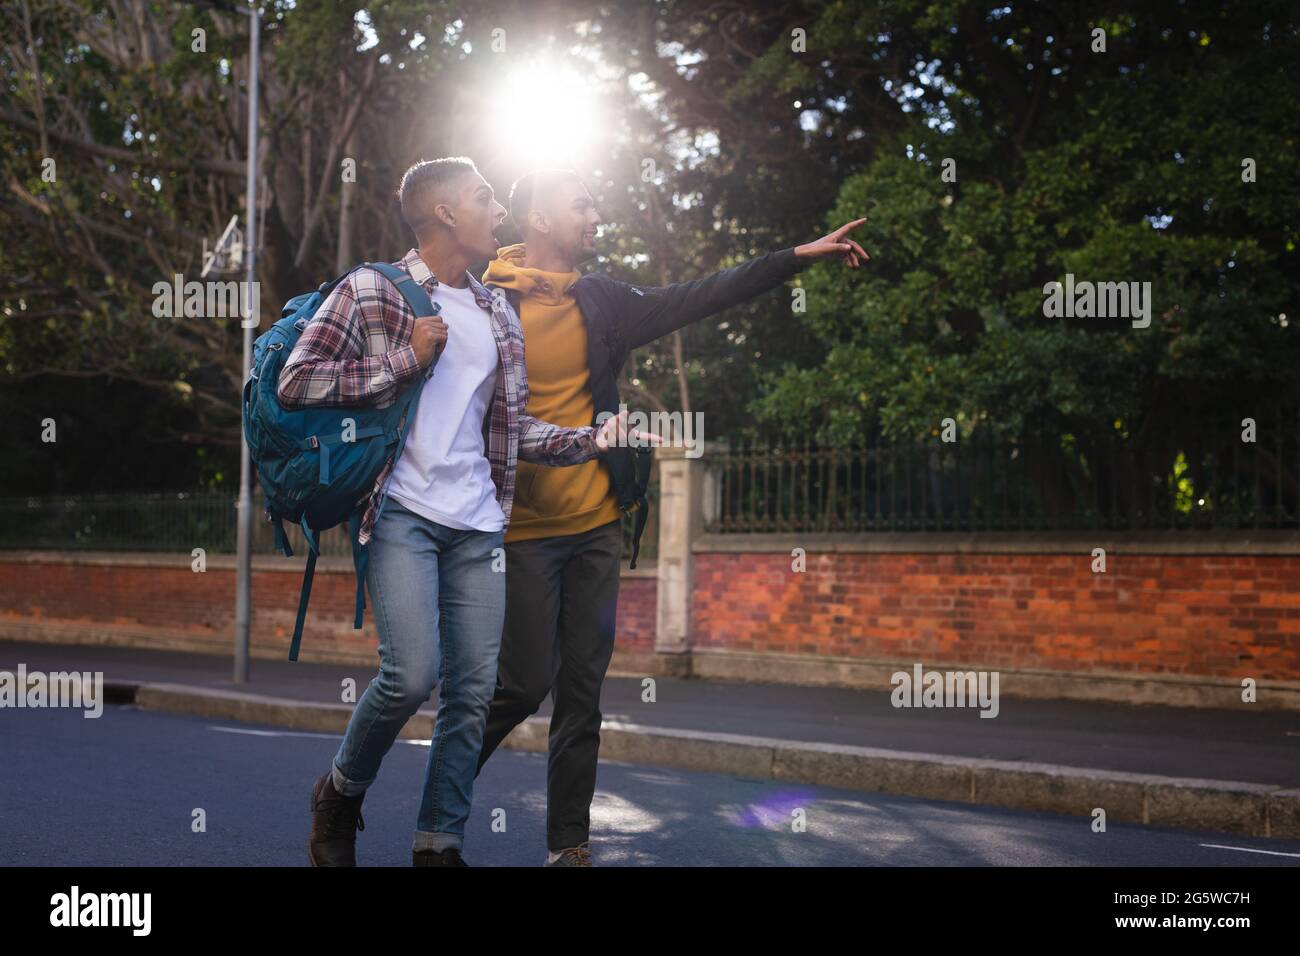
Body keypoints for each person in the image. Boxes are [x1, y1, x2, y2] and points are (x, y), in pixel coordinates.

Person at [476, 167, 868, 865]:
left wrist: (797, 257)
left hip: (596, 523)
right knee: (523, 684)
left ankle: (570, 845)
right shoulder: (484, 303)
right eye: (583, 204)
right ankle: (441, 802)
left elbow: (700, 295)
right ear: (538, 218)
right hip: (522, 530)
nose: (597, 215)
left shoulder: (602, 300)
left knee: (582, 695)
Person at [277, 157, 651, 867]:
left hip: (479, 520)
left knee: (474, 694)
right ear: (445, 212)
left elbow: (509, 428)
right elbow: (299, 380)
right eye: (485, 199)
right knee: (411, 674)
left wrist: (587, 440)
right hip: (403, 514)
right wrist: (403, 362)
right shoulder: (372, 289)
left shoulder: (494, 313)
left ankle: (438, 844)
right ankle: (340, 790)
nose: (498, 213)